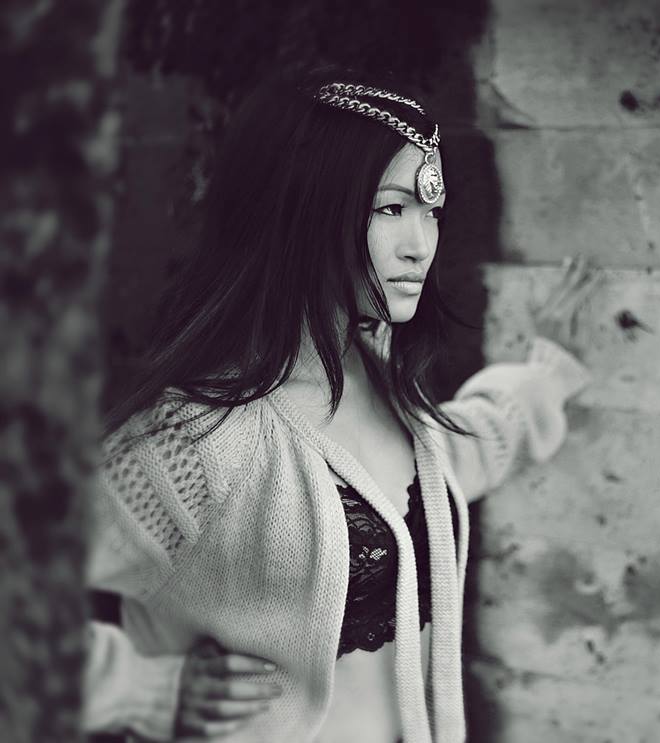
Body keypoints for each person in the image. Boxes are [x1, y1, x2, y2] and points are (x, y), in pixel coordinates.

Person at [82, 67, 600, 743]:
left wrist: (547, 375)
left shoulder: (384, 381)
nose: (420, 244)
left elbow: (463, 453)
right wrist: (147, 689)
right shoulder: (194, 441)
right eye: (390, 209)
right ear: (303, 210)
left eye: (431, 210)